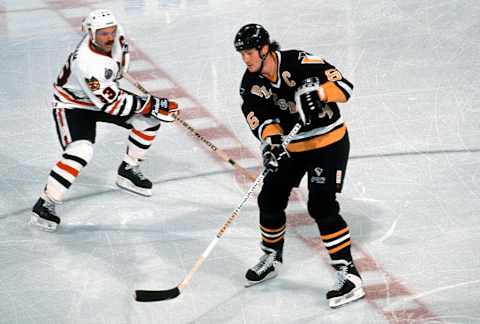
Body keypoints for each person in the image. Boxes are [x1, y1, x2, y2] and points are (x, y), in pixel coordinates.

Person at [234, 23, 365, 308]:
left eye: (249, 53)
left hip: (328, 144)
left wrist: (319, 94)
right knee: (269, 199)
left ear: (265, 48)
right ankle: (271, 255)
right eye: (242, 54)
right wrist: (271, 145)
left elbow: (345, 87)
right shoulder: (250, 85)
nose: (246, 59)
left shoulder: (301, 62)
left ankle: (349, 274)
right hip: (293, 148)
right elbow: (263, 122)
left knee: (321, 206)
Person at [31, 9, 179, 231]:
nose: (109, 37)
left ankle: (128, 170)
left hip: (101, 96)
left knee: (147, 121)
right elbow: (113, 105)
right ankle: (46, 202)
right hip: (73, 105)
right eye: (103, 34)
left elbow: (119, 66)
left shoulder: (116, 37)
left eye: (111, 32)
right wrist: (151, 104)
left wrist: (147, 106)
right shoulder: (86, 63)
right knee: (80, 151)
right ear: (90, 33)